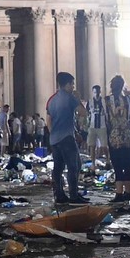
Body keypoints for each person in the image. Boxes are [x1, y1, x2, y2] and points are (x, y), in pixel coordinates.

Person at [47, 72, 90, 204]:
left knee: (58, 168)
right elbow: (83, 113)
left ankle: (59, 195)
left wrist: (53, 133)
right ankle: (73, 195)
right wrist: (78, 99)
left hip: (54, 139)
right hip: (66, 138)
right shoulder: (69, 97)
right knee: (75, 165)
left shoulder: (51, 99)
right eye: (72, 84)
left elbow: (49, 120)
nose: (73, 86)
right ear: (66, 85)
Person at [103, 75, 130, 203]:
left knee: (117, 165)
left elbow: (106, 119)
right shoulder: (127, 99)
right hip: (127, 134)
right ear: (122, 86)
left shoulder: (106, 100)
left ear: (111, 86)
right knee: (127, 164)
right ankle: (128, 193)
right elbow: (129, 117)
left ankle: (119, 193)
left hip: (114, 135)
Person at [86, 85, 108, 163]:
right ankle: (93, 163)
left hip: (102, 126)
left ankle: (108, 160)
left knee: (104, 145)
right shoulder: (90, 101)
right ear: (93, 92)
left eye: (98, 92)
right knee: (92, 145)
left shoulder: (103, 101)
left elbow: (106, 113)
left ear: (100, 92)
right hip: (92, 126)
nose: (97, 94)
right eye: (95, 92)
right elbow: (87, 113)